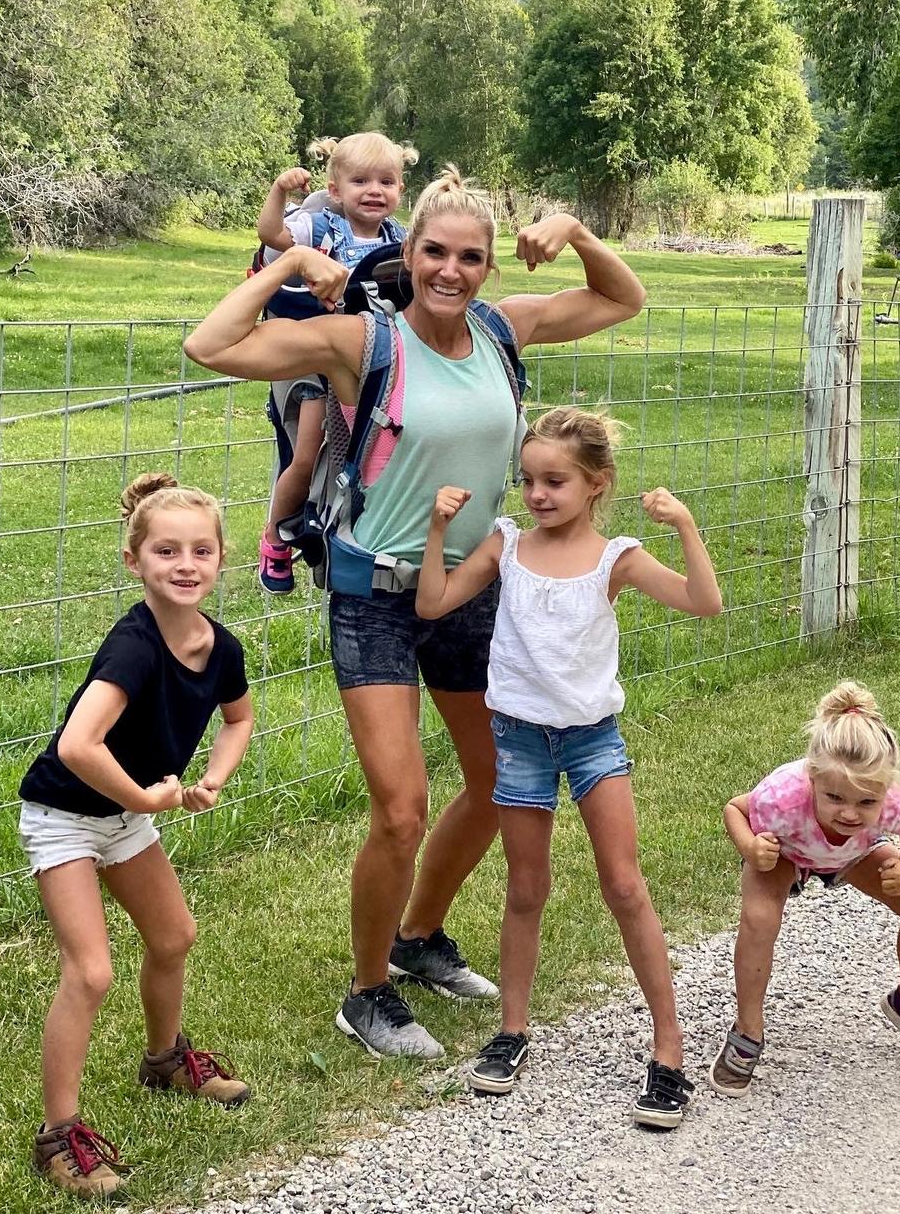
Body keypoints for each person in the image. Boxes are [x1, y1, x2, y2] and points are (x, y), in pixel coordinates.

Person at [183, 168, 647, 1059]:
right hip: (374, 599)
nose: (451, 271)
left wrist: (579, 232)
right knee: (400, 811)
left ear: (486, 266)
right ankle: (365, 994)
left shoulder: (503, 330)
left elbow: (621, 299)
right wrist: (293, 264)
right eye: (435, 252)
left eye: (470, 257)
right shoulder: (364, 341)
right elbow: (210, 345)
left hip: (470, 592)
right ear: (411, 251)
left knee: (499, 784)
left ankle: (418, 937)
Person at [415, 408, 723, 1127]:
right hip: (518, 740)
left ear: (596, 484)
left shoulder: (616, 557)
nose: (537, 494)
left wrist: (684, 525)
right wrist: (435, 531)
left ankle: (669, 1050)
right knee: (525, 887)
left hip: (592, 742)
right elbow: (432, 602)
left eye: (554, 481)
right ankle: (512, 1030)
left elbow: (703, 602)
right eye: (528, 480)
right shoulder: (507, 544)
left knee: (624, 885)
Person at [18, 473, 254, 1197]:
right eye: (165, 551)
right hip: (64, 816)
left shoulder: (220, 647)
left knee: (174, 936)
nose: (185, 565)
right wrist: (146, 797)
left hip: (125, 819)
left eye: (201, 551)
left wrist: (212, 779)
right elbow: (77, 747)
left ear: (221, 559)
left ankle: (163, 1061)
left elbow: (239, 718)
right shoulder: (133, 648)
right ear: (134, 560)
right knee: (91, 972)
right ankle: (59, 1137)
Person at [711, 680, 900, 1097]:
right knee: (759, 918)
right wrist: (751, 847)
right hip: (786, 852)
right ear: (812, 779)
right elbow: (735, 807)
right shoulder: (783, 797)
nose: (850, 813)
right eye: (836, 798)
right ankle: (748, 1030)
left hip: (854, 854)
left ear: (884, 791)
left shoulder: (890, 800)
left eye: (866, 803)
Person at [253, 133, 418, 595]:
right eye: (360, 181)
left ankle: (343, 527)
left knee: (371, 453)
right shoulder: (319, 227)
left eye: (386, 181)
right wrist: (279, 192)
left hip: (373, 361)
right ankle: (275, 537)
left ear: (400, 189)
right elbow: (271, 236)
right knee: (307, 454)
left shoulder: (401, 240)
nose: (374, 190)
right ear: (336, 189)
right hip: (319, 357)